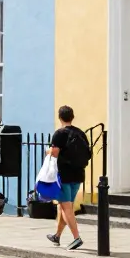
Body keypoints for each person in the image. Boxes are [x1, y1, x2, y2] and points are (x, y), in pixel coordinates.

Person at [44, 106, 89, 250]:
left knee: (66, 207)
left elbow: (55, 153)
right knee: (63, 206)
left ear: (60, 117)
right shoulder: (80, 133)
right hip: (78, 174)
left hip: (64, 175)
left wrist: (48, 151)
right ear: (72, 116)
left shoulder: (60, 134)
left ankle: (76, 238)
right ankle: (57, 236)